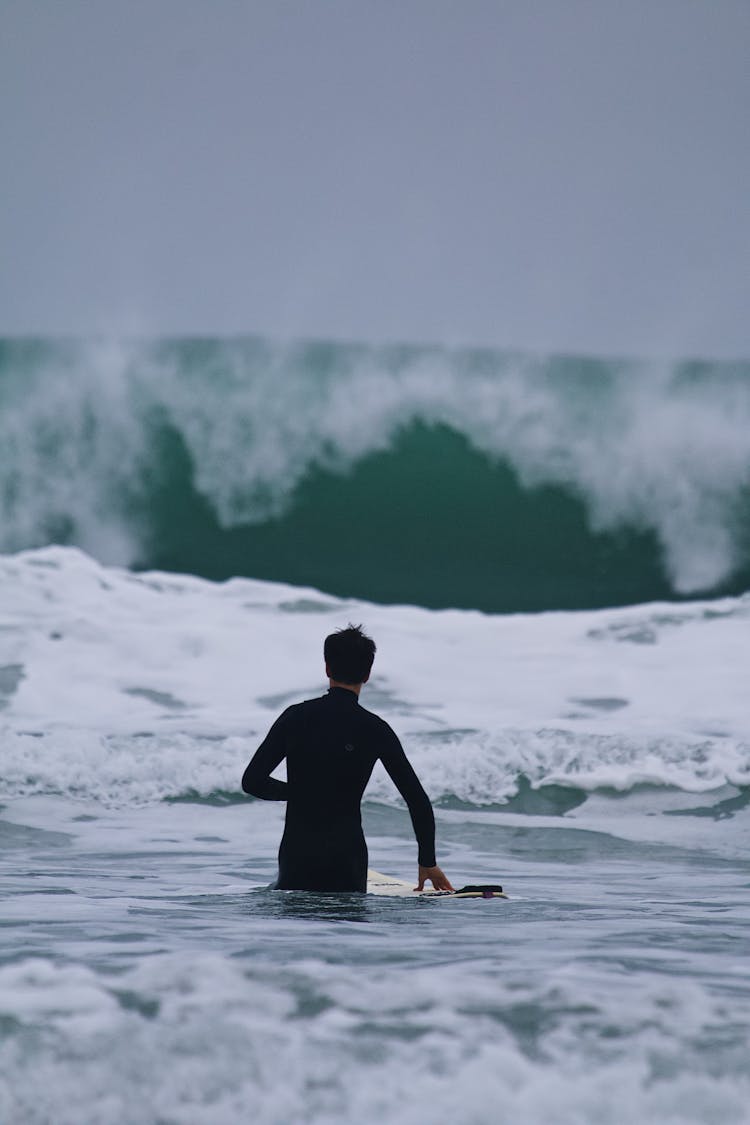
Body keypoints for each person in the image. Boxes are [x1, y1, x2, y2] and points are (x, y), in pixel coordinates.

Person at [241, 624, 453, 894]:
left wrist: (301, 792)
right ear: (367, 674)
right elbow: (417, 800)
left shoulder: (295, 717)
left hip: (297, 858)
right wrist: (427, 862)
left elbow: (252, 782)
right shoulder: (376, 729)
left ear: (327, 668)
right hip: (347, 863)